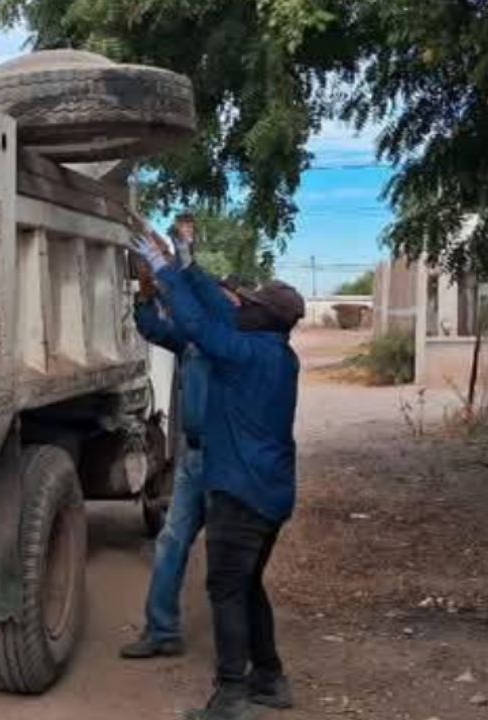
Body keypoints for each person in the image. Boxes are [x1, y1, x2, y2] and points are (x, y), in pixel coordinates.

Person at [133, 225, 305, 720]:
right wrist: (186, 264)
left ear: (262, 318)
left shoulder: (243, 356)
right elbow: (214, 305)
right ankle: (269, 679)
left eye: (248, 304)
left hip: (240, 493)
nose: (240, 305)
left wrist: (166, 273)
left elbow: (195, 320)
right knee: (247, 584)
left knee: (225, 588)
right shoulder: (273, 352)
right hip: (269, 493)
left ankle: (231, 697)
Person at [121, 213, 239, 661]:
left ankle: (243, 652)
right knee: (172, 540)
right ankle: (162, 631)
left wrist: (173, 263)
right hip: (195, 457)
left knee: (230, 555)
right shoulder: (195, 340)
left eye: (224, 294)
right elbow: (153, 327)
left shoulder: (230, 339)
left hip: (227, 459)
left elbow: (194, 305)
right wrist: (147, 292)